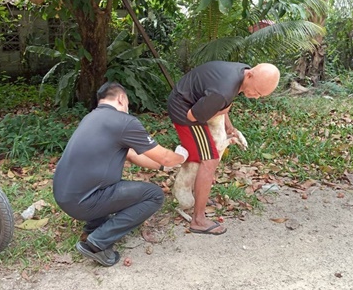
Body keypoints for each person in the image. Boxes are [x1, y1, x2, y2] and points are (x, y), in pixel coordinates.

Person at [53, 82, 189, 267]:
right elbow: (166, 157)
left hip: (65, 196)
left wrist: (161, 167)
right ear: (121, 98)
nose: (127, 108)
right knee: (154, 195)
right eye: (127, 104)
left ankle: (94, 227)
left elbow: (132, 154)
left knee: (105, 185)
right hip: (84, 201)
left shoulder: (91, 118)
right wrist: (181, 156)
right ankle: (97, 244)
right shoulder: (124, 121)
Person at [167, 61, 280, 235]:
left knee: (207, 154)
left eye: (260, 95)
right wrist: (223, 110)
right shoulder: (223, 91)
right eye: (256, 92)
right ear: (250, 75)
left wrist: (229, 127)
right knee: (210, 159)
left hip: (193, 101)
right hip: (184, 110)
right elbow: (194, 115)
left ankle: (198, 197)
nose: (256, 97)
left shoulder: (242, 72)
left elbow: (221, 103)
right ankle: (198, 220)